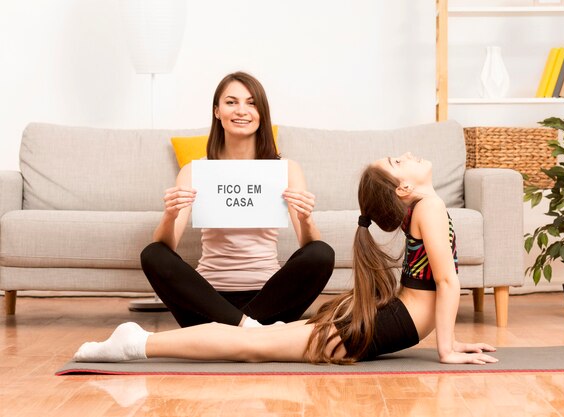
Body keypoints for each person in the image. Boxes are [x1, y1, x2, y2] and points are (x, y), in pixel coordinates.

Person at [75, 152, 498, 365]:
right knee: (254, 346)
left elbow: (439, 280)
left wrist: (450, 341)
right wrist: (447, 348)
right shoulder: (427, 207)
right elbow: (445, 282)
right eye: (397, 161)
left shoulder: (422, 206)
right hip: (392, 323)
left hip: (394, 320)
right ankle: (136, 344)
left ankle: (137, 342)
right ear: (403, 189)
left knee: (259, 340)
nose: (407, 156)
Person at [140, 71, 335, 328]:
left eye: (251, 103)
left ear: (261, 112)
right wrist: (170, 215)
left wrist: (305, 217)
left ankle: (231, 332)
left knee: (322, 253)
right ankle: (250, 330)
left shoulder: (286, 169)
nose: (241, 110)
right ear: (217, 111)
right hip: (207, 300)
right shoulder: (195, 170)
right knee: (153, 254)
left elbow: (308, 244)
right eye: (231, 102)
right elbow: (168, 244)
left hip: (268, 298)